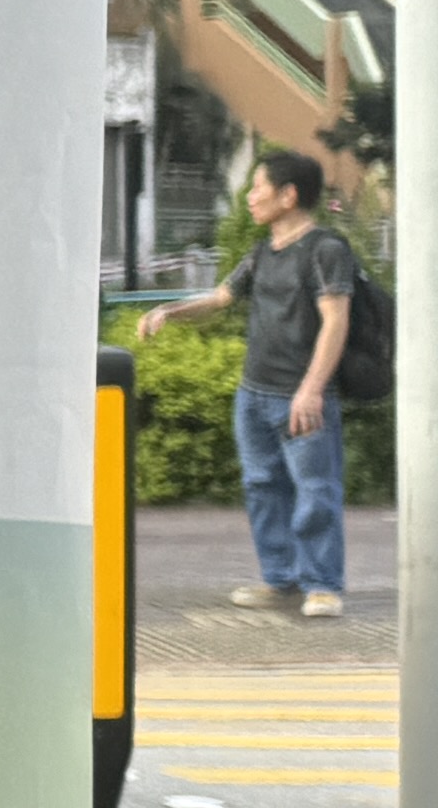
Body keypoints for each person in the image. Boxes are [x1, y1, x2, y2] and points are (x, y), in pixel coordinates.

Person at [144, 144, 363, 616]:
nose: (250, 196)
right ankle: (280, 579)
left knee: (315, 490)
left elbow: (336, 322)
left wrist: (311, 389)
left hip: (300, 395)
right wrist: (169, 311)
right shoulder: (263, 251)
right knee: (262, 487)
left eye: (258, 186)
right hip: (254, 393)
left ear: (288, 195)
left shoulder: (325, 250)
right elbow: (221, 298)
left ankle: (322, 584)